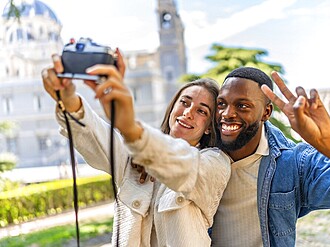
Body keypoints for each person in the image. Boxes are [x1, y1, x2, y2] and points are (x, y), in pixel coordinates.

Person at [41, 49, 231, 246]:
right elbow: (96, 135)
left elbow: (184, 167)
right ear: (172, 107)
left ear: (209, 127)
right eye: (184, 102)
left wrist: (130, 127)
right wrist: (68, 100)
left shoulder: (215, 164)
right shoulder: (134, 156)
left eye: (201, 110)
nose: (188, 113)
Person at [210, 67, 330, 247]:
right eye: (221, 104)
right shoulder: (200, 155)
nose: (227, 114)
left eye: (242, 105)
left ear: (266, 113)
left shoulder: (294, 165)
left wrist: (328, 141)